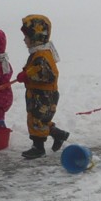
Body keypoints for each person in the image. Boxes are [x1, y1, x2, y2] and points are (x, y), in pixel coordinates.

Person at [16, 14, 69, 159]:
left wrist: (27, 75)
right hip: (39, 94)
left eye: (26, 36)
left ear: (36, 37)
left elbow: (47, 75)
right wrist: (27, 73)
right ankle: (59, 134)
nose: (24, 40)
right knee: (40, 120)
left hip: (43, 95)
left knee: (36, 121)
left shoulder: (42, 55)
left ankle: (38, 148)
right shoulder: (39, 53)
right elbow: (35, 69)